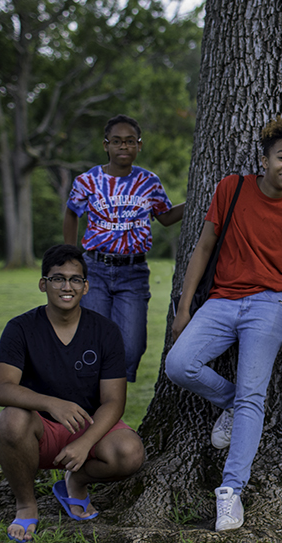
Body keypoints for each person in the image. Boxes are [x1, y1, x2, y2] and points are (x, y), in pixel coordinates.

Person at [166, 116, 282, 532]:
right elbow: (204, 246)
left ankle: (230, 492)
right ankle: (231, 402)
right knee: (179, 365)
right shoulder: (232, 188)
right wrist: (183, 308)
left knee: (255, 395)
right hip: (220, 301)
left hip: (269, 306)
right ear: (264, 160)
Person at [0, 244, 145, 543]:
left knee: (130, 452)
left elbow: (114, 401)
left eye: (75, 279)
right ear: (42, 284)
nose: (67, 286)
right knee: (10, 420)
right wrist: (52, 404)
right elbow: (0, 388)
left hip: (87, 429)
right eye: (57, 278)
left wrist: (86, 441)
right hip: (39, 431)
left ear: (86, 287)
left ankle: (76, 481)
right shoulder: (20, 328)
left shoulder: (106, 331)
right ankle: (26, 506)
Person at [63, 114, 185, 383]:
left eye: (130, 141)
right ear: (106, 145)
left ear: (139, 145)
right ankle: (90, 406)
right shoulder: (88, 181)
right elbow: (72, 213)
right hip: (95, 268)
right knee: (92, 340)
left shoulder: (149, 182)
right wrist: (70, 256)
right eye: (116, 141)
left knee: (131, 346)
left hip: (134, 271)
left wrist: (197, 202)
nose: (123, 146)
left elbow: (164, 217)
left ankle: (112, 402)